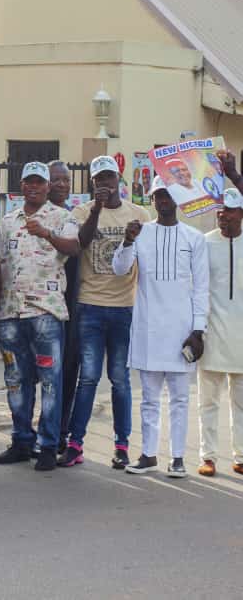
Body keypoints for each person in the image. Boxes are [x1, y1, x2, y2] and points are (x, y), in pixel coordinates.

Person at [59, 156, 151, 469]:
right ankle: (75, 444)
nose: (105, 184)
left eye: (110, 178)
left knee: (120, 379)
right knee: (88, 378)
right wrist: (96, 210)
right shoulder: (81, 212)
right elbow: (76, 244)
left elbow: (147, 261)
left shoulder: (140, 214)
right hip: (90, 306)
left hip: (125, 308)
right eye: (100, 179)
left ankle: (122, 445)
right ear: (92, 183)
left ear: (119, 179)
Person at [116, 177, 208, 478]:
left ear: (178, 199)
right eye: (158, 195)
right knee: (150, 399)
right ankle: (148, 454)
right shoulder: (141, 234)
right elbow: (120, 269)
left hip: (182, 331)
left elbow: (201, 289)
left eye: (168, 195)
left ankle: (178, 457)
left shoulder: (194, 238)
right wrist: (127, 241)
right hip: (149, 328)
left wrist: (198, 330)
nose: (164, 200)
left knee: (180, 399)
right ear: (151, 200)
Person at [0, 161, 80, 471]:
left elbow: (74, 248)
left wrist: (45, 233)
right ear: (22, 185)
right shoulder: (7, 221)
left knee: (50, 383)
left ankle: (47, 446)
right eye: (28, 182)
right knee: (16, 380)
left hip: (45, 312)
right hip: (11, 313)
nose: (33, 187)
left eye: (39, 182)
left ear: (47, 187)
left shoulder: (63, 217)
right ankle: (21, 440)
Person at [198, 187, 243, 476]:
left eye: (229, 210)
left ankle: (241, 455)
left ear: (241, 214)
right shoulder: (204, 243)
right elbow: (197, 289)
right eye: (220, 211)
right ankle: (208, 456)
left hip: (242, 335)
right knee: (208, 400)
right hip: (212, 332)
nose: (222, 215)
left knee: (241, 401)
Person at [47, 160, 81, 451]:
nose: (61, 184)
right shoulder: (33, 219)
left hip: (71, 307)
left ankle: (60, 431)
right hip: (41, 307)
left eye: (65, 180)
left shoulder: (75, 218)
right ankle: (34, 433)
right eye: (55, 179)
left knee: (68, 370)